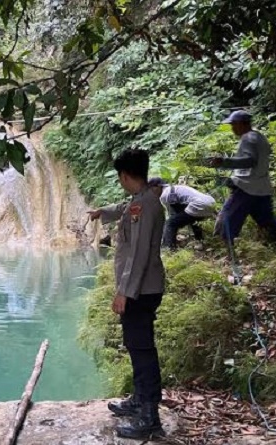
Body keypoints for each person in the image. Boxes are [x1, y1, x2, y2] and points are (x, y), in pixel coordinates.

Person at [88, 149, 166, 440]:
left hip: (140, 289)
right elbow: (124, 207)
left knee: (142, 349)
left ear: (124, 175)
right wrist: (102, 212)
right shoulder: (142, 199)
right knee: (136, 345)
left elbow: (138, 255)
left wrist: (124, 292)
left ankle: (149, 416)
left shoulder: (144, 206)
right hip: (143, 288)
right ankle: (139, 399)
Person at [207, 110, 276, 243]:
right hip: (262, 188)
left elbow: (250, 161)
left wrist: (224, 162)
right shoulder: (259, 137)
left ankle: (229, 257)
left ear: (241, 124)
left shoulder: (247, 138)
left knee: (227, 220)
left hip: (246, 189)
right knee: (266, 221)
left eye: (233, 124)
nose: (232, 128)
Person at [147, 178, 216, 250]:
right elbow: (180, 211)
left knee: (170, 223)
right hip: (210, 202)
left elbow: (173, 214)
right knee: (192, 220)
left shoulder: (165, 194)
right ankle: (200, 241)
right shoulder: (174, 188)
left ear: (158, 186)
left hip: (199, 204)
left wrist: (168, 233)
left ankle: (168, 247)